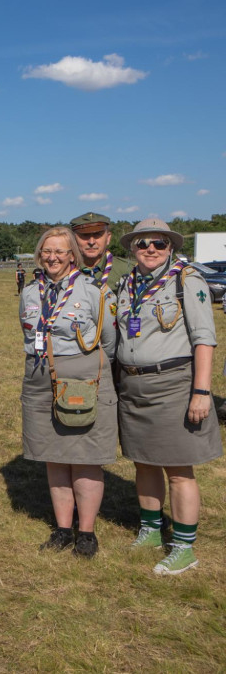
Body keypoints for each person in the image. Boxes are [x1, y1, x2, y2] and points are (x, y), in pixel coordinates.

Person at [114, 218, 221, 575]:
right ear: (132, 248)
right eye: (143, 243)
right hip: (132, 386)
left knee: (178, 470)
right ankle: (150, 529)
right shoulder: (126, 285)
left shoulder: (186, 280)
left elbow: (204, 338)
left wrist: (201, 392)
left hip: (173, 384)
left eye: (159, 243)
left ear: (170, 246)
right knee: (142, 461)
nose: (151, 250)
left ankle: (185, 547)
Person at [20, 226, 116, 558]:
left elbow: (108, 341)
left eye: (60, 251)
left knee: (86, 457)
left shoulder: (92, 291)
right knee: (54, 456)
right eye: (47, 250)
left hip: (81, 378)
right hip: (39, 377)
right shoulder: (31, 292)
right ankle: (62, 529)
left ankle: (86, 532)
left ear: (73, 254)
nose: (53, 257)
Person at [69, 212, 132, 292]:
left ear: (108, 238)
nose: (91, 242)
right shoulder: (64, 270)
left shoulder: (127, 269)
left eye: (97, 235)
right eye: (85, 235)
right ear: (73, 239)